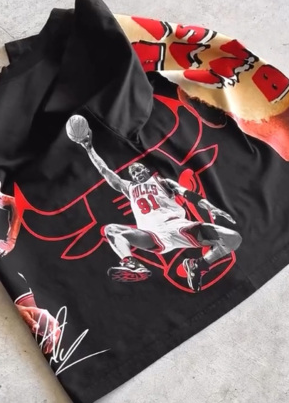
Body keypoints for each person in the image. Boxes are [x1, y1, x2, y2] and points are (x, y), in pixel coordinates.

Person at [66, 115, 242, 292]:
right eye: (133, 173)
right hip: (152, 235)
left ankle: (199, 265)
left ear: (146, 170)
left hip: (180, 226)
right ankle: (131, 264)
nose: (137, 173)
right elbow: (105, 172)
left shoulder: (162, 182)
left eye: (139, 170)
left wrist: (210, 206)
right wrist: (89, 149)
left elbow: (188, 194)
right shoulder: (129, 188)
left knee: (233, 238)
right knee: (111, 230)